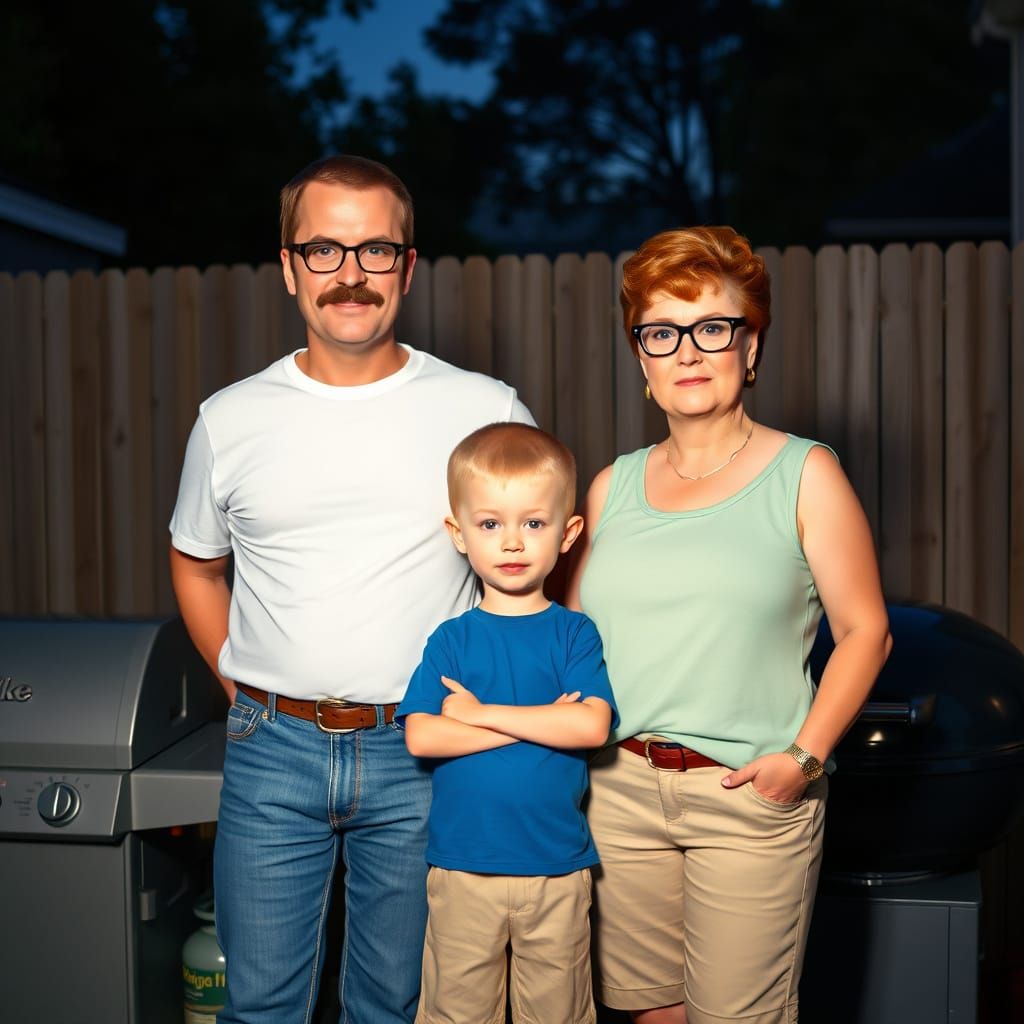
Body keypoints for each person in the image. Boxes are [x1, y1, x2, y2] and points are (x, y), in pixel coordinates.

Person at [168, 155, 534, 1024]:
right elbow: (195, 561)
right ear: (290, 266)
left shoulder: (485, 410)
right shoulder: (230, 419)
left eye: (375, 250)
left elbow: (542, 573)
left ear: (407, 266)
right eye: (325, 250)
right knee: (260, 1008)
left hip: (421, 751)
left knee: (395, 1006)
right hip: (271, 750)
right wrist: (239, 686)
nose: (350, 275)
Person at [566, 226, 892, 1024]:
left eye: (714, 327)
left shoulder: (805, 474)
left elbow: (867, 633)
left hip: (747, 796)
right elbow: (571, 645)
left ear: (751, 346)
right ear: (640, 356)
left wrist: (804, 761)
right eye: (661, 332)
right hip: (617, 792)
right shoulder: (613, 487)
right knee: (652, 1014)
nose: (688, 350)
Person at [397, 422, 617, 1024]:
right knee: (458, 1014)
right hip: (464, 867)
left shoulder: (575, 633)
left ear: (568, 533)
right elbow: (423, 735)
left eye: (534, 523)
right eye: (490, 524)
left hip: (557, 868)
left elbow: (592, 728)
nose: (513, 543)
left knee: (558, 1014)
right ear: (459, 533)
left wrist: (478, 714)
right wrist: (546, 718)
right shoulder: (452, 639)